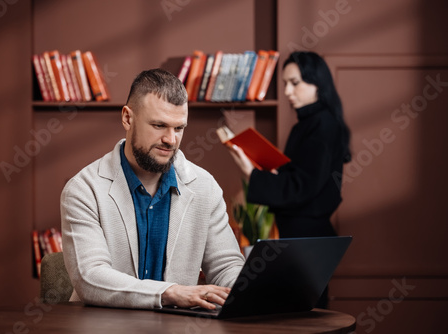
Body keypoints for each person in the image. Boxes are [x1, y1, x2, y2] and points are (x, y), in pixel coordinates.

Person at [61, 68, 244, 310]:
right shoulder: (84, 189)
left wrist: (249, 291)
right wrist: (171, 293)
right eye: (159, 125)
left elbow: (226, 266)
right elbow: (90, 278)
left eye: (179, 128)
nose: (171, 139)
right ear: (128, 118)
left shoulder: (205, 186)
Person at [227, 51, 351, 308]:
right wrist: (275, 174)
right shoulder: (309, 124)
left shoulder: (322, 124)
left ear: (318, 83)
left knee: (304, 318)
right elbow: (303, 179)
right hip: (303, 237)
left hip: (308, 239)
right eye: (285, 83)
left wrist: (252, 174)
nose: (286, 91)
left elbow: (303, 187)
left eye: (294, 83)